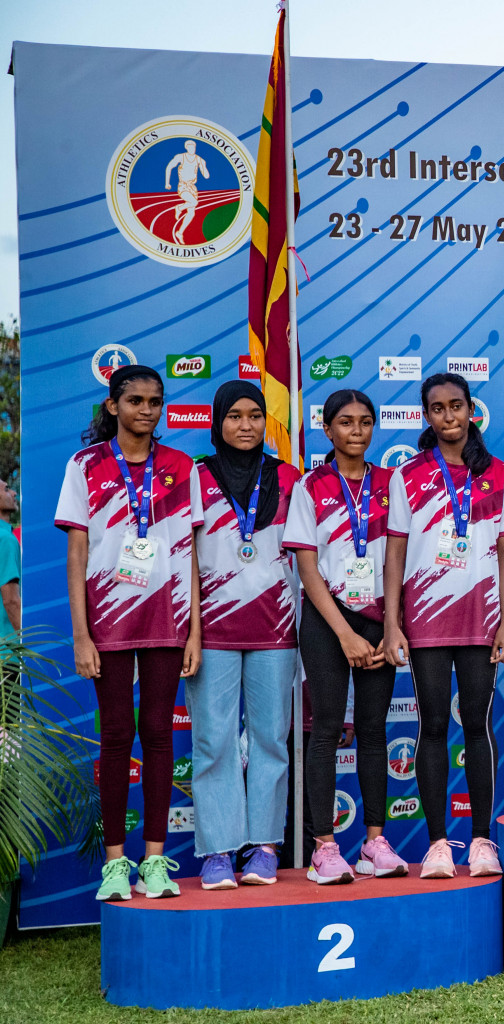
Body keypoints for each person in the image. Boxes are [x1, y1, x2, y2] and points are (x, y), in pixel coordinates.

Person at [57, 365, 202, 901]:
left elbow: (191, 553)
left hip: (167, 618)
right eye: (136, 400)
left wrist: (194, 632)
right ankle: (116, 864)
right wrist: (81, 635)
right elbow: (76, 553)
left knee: (160, 736)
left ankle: (156, 860)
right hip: (107, 620)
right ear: (113, 405)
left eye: (155, 401)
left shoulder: (180, 466)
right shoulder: (86, 465)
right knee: (118, 735)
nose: (147, 410)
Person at [383, 372, 504, 877]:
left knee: (479, 726)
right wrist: (394, 623)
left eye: (456, 406)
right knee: (434, 727)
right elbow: (395, 552)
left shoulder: (499, 475)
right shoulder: (408, 476)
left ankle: (483, 840)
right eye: (437, 408)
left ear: (471, 411)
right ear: (427, 416)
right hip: (426, 621)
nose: (448, 416)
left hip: (481, 620)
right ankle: (439, 843)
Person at [285, 390, 404, 885]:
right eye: (345, 423)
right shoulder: (309, 487)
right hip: (326, 620)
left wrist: (389, 625)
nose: (356, 431)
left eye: (365, 422)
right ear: (327, 430)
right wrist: (344, 634)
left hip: (378, 620)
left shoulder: (391, 482)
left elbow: (397, 560)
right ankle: (324, 849)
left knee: (375, 731)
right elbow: (307, 569)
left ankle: (374, 843)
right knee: (327, 729)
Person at [187, 381, 302, 889]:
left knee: (271, 741)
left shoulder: (289, 477)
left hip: (277, 628)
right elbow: (183, 557)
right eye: (234, 415)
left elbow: (308, 555)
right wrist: (188, 627)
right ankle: (217, 850)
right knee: (214, 742)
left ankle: (264, 847)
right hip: (211, 629)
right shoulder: (195, 476)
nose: (246, 424)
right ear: (217, 422)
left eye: (255, 414)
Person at [0, 479, 19, 639]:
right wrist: (30, 644)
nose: (14, 493)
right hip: (9, 652)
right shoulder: (5, 539)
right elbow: (11, 600)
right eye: (6, 489)